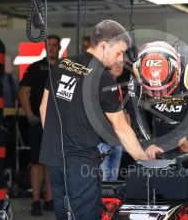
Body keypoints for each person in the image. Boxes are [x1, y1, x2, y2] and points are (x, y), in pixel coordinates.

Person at [39, 20, 163, 220]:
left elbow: (44, 108)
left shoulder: (61, 65)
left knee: (64, 214)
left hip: (56, 161)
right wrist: (143, 159)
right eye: (119, 52)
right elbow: (121, 126)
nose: (120, 59)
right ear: (104, 45)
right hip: (81, 164)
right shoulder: (102, 79)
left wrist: (58, 144)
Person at [127, 41, 188, 188]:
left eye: (163, 88)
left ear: (176, 69)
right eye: (154, 90)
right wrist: (147, 143)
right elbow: (135, 110)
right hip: (162, 134)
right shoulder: (137, 73)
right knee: (158, 187)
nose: (160, 94)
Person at [18, 35, 60, 216]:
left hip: (57, 124)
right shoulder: (35, 68)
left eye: (54, 45)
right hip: (37, 123)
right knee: (37, 162)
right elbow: (22, 92)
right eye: (48, 45)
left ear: (59, 48)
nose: (51, 48)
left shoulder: (64, 68)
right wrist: (30, 116)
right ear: (44, 47)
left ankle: (50, 199)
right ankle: (36, 201)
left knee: (52, 162)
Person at [97, 61, 125, 182]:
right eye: (114, 63)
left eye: (121, 63)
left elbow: (125, 114)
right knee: (103, 182)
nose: (119, 66)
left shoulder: (120, 87)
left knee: (112, 182)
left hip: (118, 141)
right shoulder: (100, 86)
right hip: (102, 141)